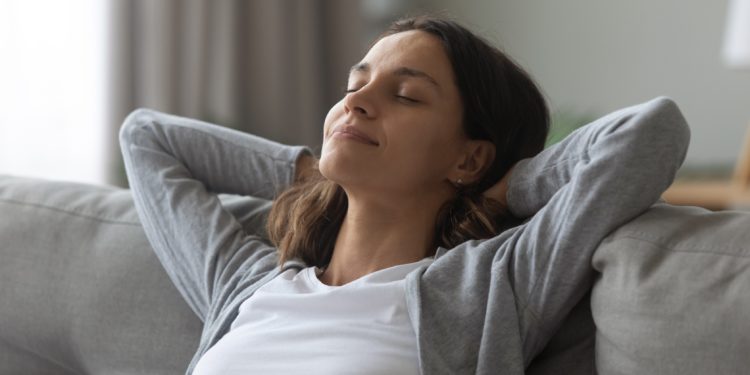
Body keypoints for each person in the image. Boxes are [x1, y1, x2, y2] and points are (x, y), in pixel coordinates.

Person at [119, 15, 690, 375]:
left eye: (407, 96)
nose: (357, 102)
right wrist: (317, 169)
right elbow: (146, 137)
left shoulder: (492, 286)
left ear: (467, 157)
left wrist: (503, 188)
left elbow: (648, 134)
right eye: (354, 85)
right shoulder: (246, 283)